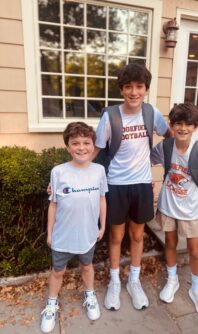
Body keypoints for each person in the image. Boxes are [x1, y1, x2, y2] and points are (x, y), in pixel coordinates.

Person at [94, 63, 170, 311]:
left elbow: (172, 136)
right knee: (116, 236)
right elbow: (95, 151)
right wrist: (69, 173)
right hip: (115, 184)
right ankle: (115, 281)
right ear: (121, 90)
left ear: (146, 89)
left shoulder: (151, 113)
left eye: (139, 87)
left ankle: (134, 281)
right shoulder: (111, 116)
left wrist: (197, 150)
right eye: (128, 87)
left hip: (141, 184)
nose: (134, 92)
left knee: (137, 235)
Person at [151, 103, 198, 317]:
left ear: (195, 127)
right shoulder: (165, 147)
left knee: (194, 250)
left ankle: (196, 288)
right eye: (178, 123)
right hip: (168, 205)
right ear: (171, 125)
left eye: (188, 124)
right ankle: (172, 280)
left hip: (191, 208)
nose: (183, 128)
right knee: (170, 243)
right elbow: (145, 160)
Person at [41, 122, 108, 333]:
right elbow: (53, 204)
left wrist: (102, 226)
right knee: (57, 272)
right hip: (62, 235)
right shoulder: (58, 172)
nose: (81, 147)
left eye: (86, 143)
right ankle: (51, 304)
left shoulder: (99, 170)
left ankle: (90, 295)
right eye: (75, 143)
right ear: (68, 147)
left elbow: (102, 200)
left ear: (92, 145)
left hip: (88, 234)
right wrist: (50, 232)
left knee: (87, 267)